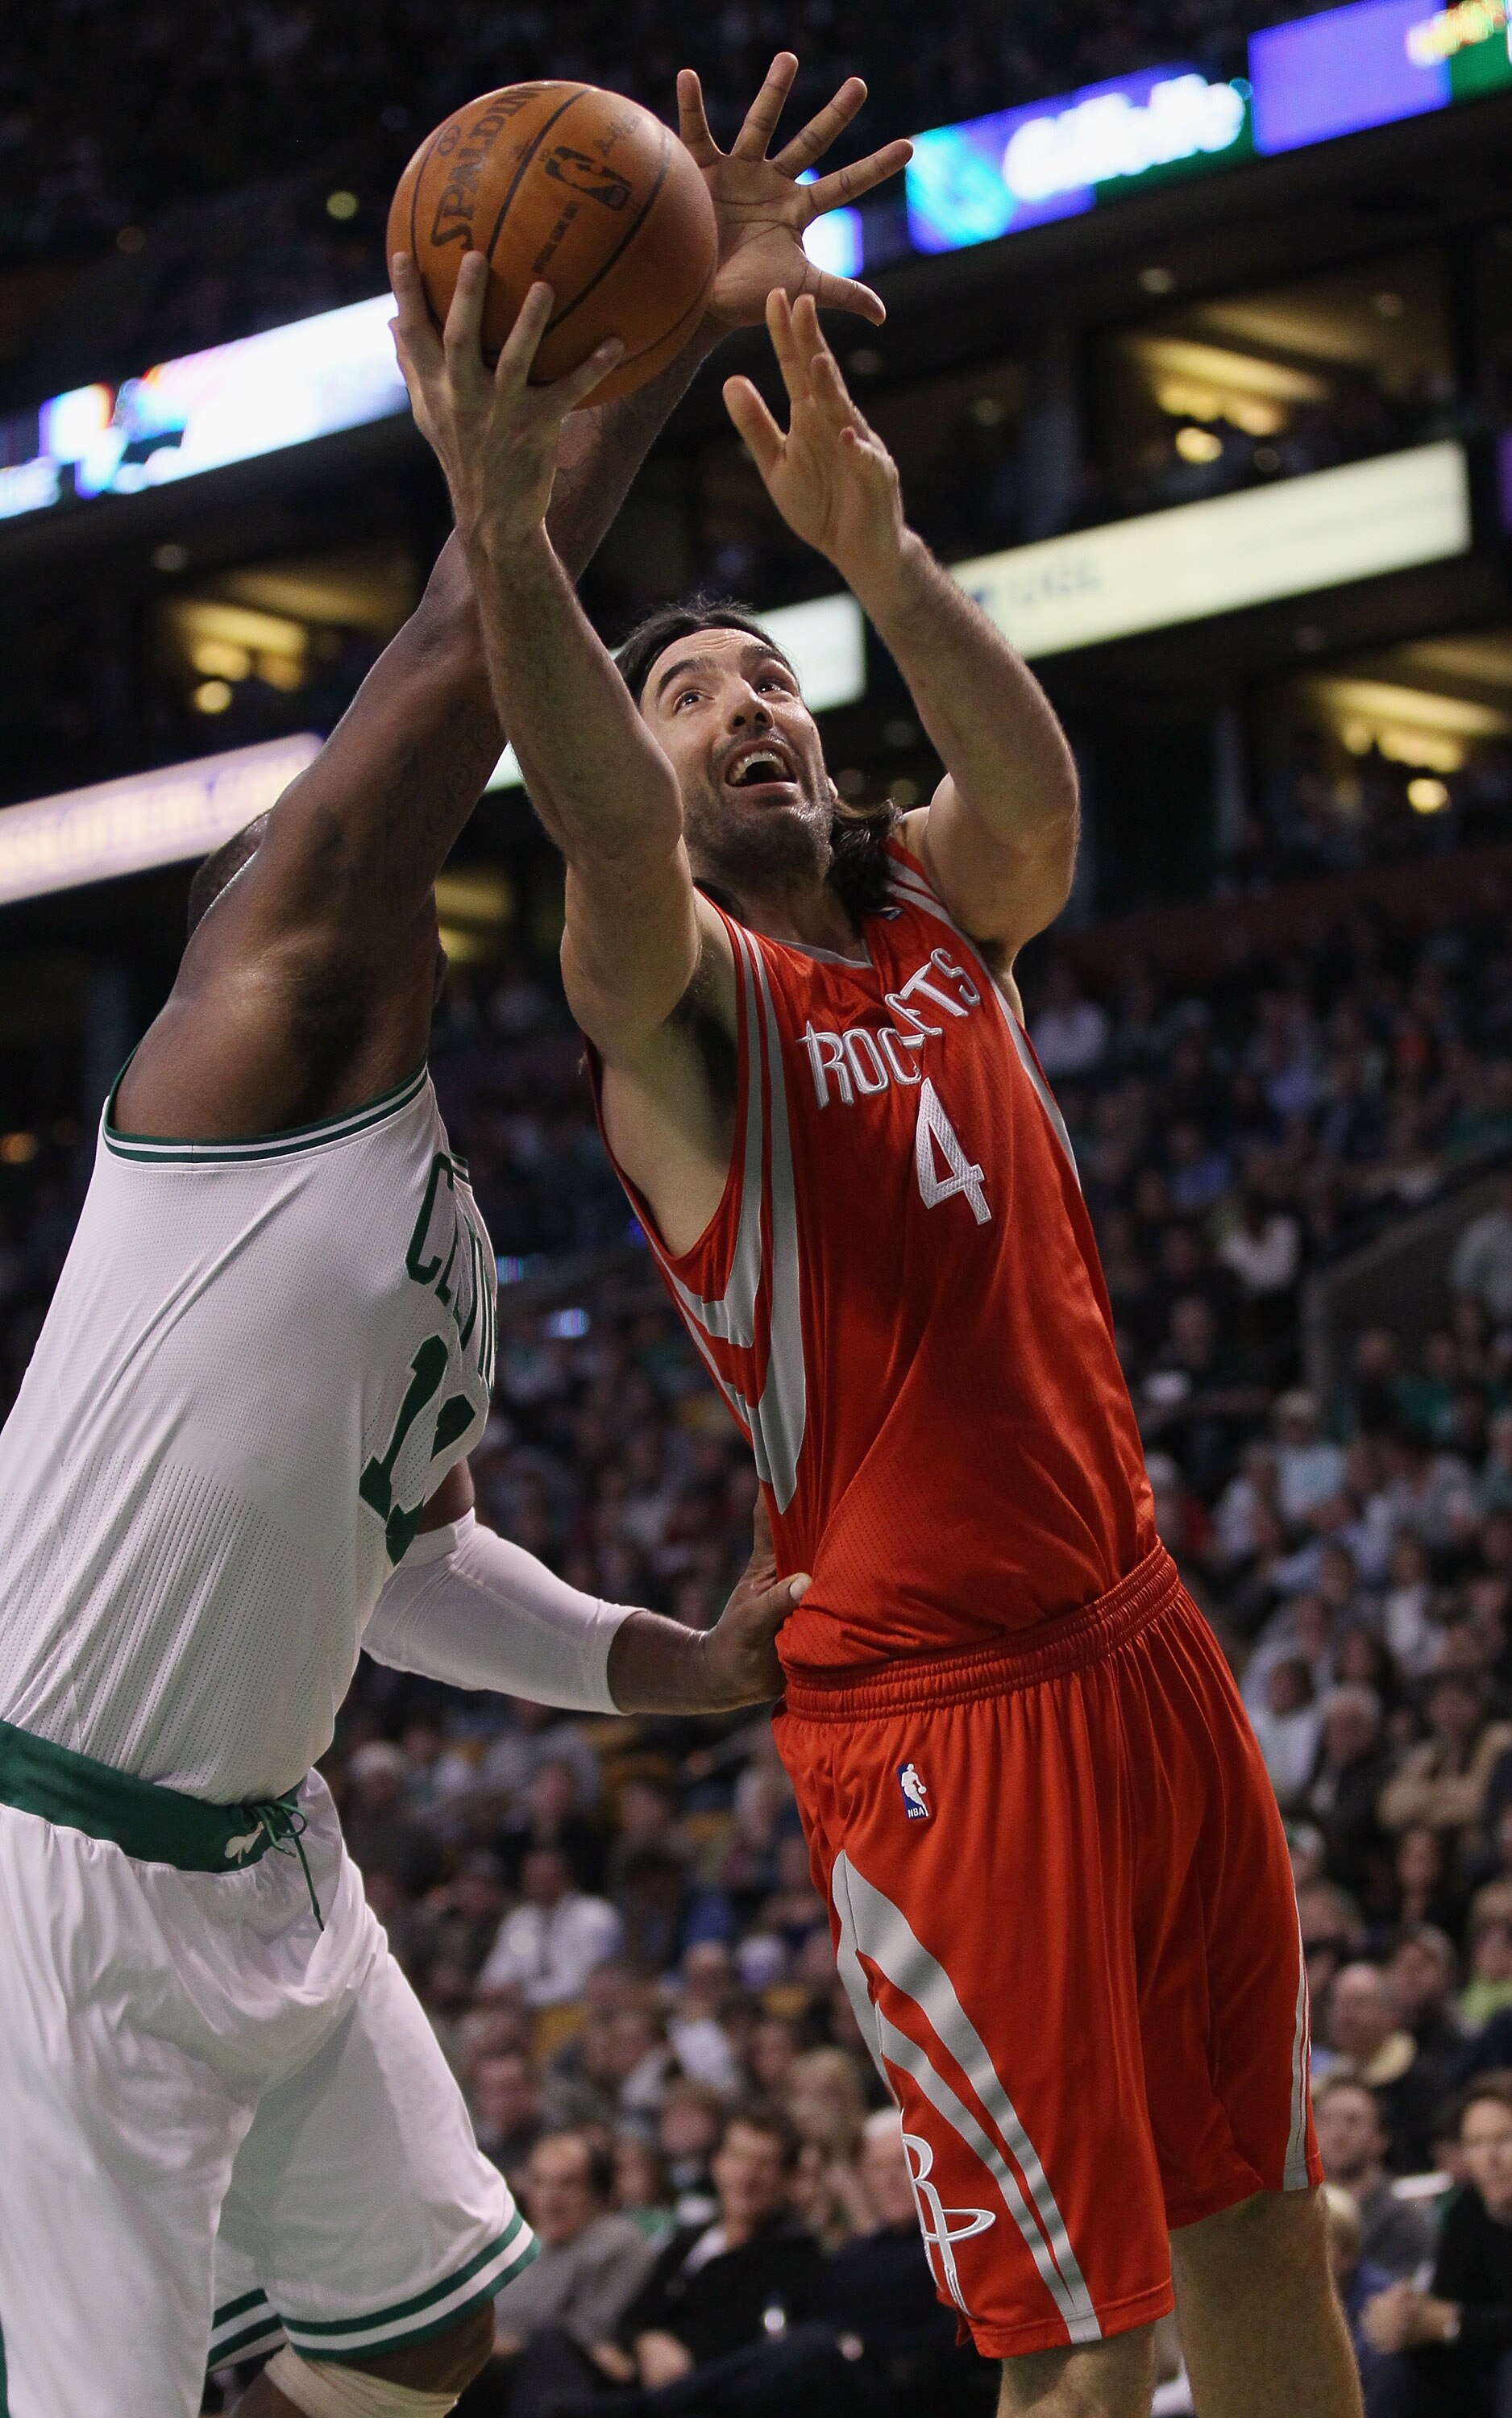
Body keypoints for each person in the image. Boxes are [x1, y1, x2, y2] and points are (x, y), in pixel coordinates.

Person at [0, 58, 906, 2418]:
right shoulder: (265, 987)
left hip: (265, 1851)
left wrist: (667, 1668)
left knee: (420, 2339)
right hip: (54, 1869)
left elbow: (399, 1563)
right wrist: (645, 344)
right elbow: (448, 654)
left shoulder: (429, 1191)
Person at [396, 235, 1356, 2415]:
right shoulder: (682, 1009)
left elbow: (1037, 813)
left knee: (1261, 2225)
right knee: (1084, 2353)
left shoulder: (931, 904)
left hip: (1142, 1642)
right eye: (690, 691)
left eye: (769, 675)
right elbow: (599, 834)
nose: (747, 703)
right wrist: (511, 542)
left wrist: (884, 553)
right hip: (947, 1724)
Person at [1360, 2073, 1512, 2415]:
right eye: (1475, 2143)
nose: (1489, 2158)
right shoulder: (1469, 2209)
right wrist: (1407, 2318)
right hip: (1482, 2373)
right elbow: (1444, 2304)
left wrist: (1449, 2322)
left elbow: (1448, 2318)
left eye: (1504, 2139)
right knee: (1402, 2364)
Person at [476, 2133, 659, 2406]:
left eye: (568, 2184)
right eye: (540, 2183)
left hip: (566, 2382)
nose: (550, 2200)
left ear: (599, 2194)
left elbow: (589, 2334)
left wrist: (497, 2347)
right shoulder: (519, 2246)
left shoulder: (617, 2241)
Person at [1311, 2082, 1435, 2278]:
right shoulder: (1298, 2208)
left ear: (1380, 2138)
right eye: (1326, 2120)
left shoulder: (1402, 2218)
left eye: (1352, 2121)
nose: (1337, 2133)